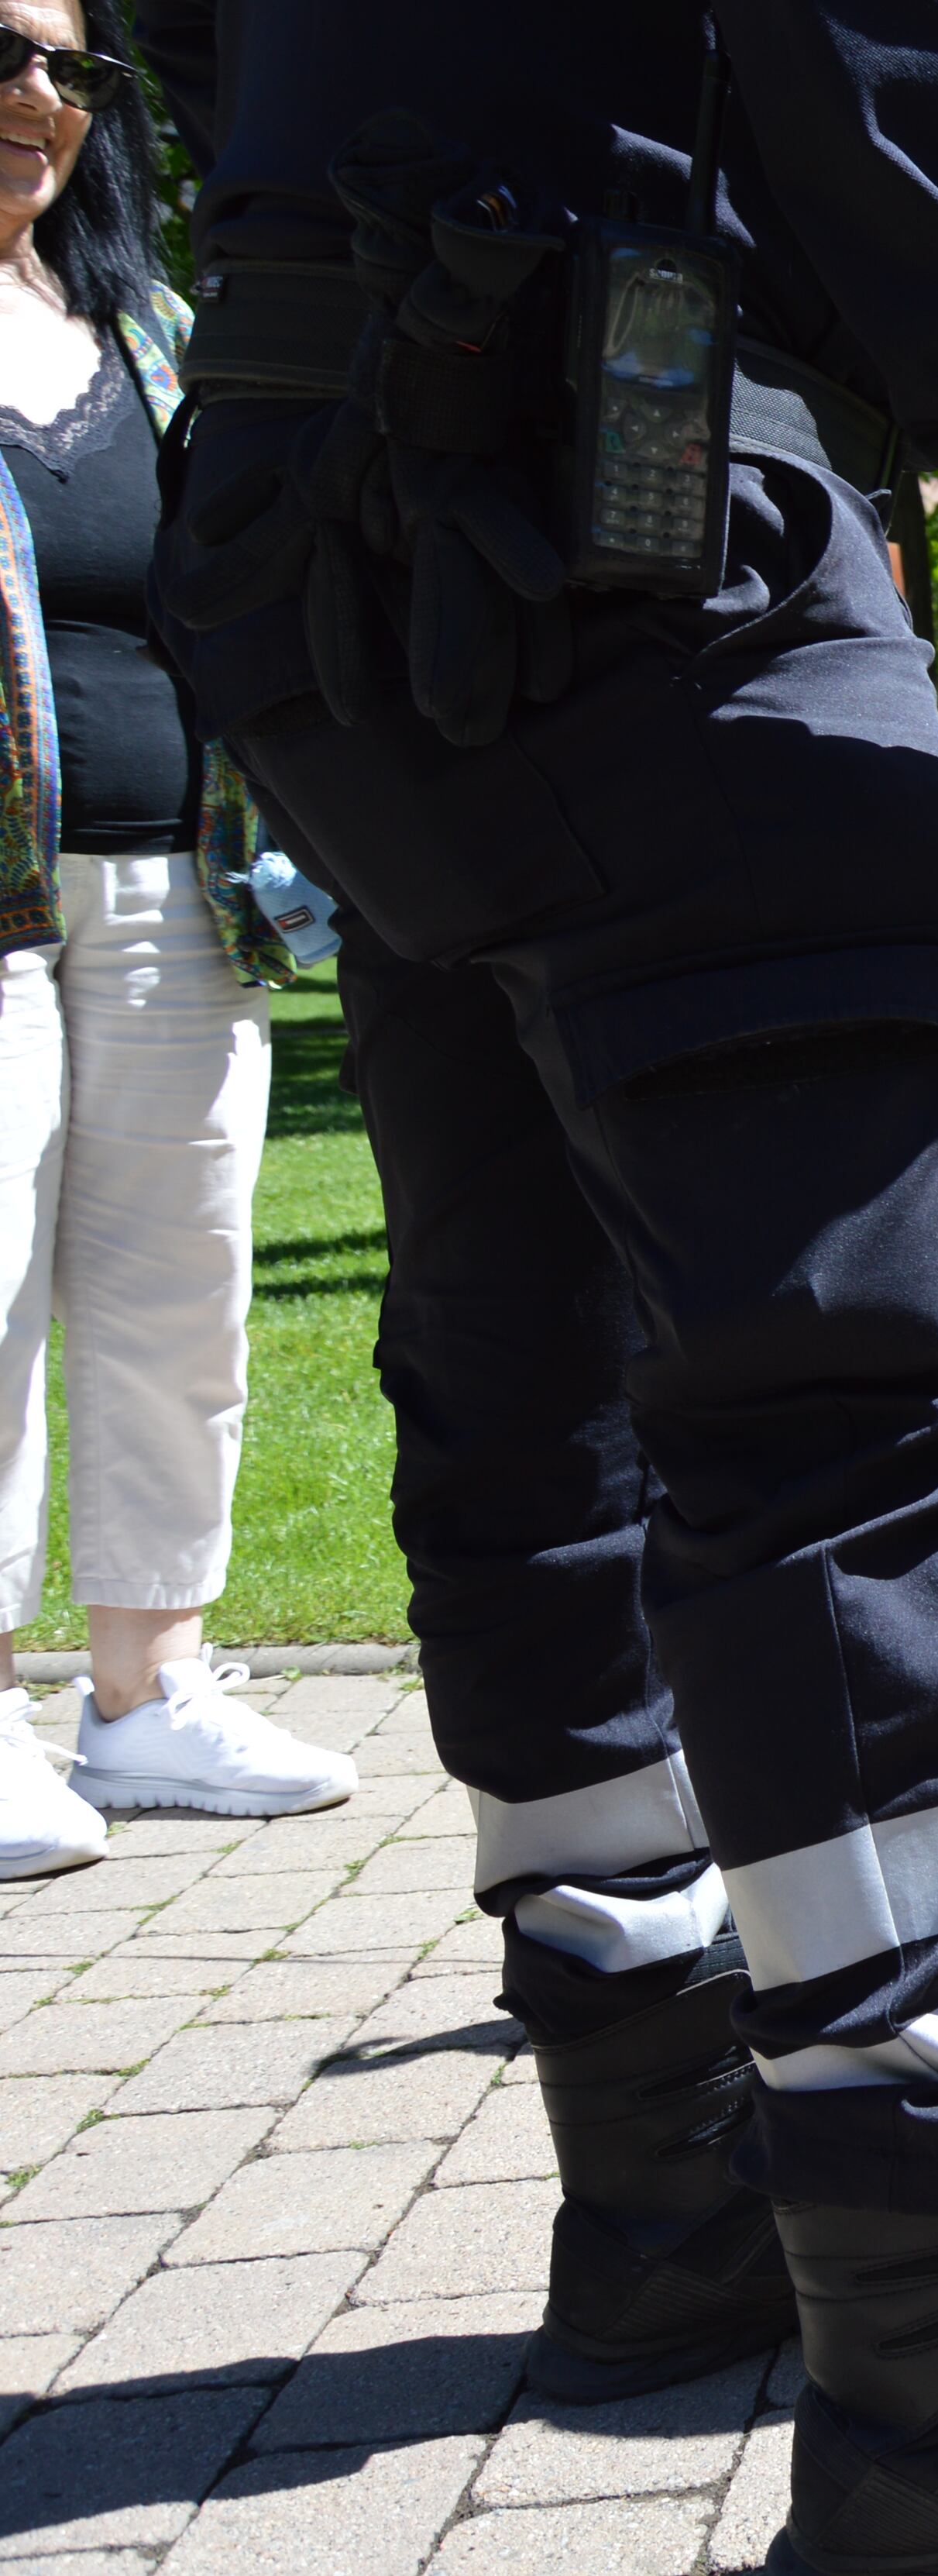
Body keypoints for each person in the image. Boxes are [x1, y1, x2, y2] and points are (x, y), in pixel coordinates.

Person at [132, 5, 938, 2568]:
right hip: (625, 454)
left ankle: (680, 2196)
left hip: (334, 470)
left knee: (543, 1377)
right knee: (877, 1404)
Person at [0, 0, 352, 1886]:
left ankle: (145, 1701)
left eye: (73, 68)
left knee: (176, 1298)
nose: (39, 97)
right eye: (1, 49)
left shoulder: (150, 334)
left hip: (181, 882)